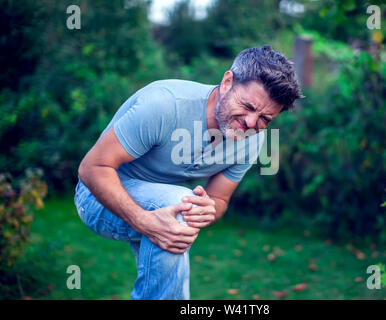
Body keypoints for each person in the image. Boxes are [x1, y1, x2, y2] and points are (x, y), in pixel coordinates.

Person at [74, 45, 301, 299]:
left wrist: (206, 211)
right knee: (180, 207)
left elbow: (219, 200)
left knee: (183, 210)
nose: (251, 122)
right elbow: (92, 168)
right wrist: (144, 220)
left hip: (159, 202)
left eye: (265, 119)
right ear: (227, 82)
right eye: (247, 106)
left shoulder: (253, 139)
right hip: (96, 195)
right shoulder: (164, 105)